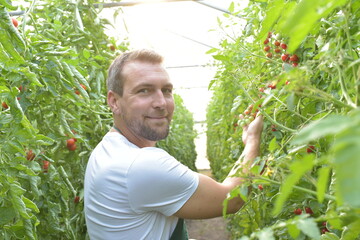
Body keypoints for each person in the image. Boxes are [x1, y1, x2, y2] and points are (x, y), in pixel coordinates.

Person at [84, 49, 264, 240]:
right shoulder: (140, 164)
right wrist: (252, 141)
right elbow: (232, 199)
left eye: (166, 90)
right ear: (114, 102)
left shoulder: (106, 149)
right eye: (144, 90)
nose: (161, 102)